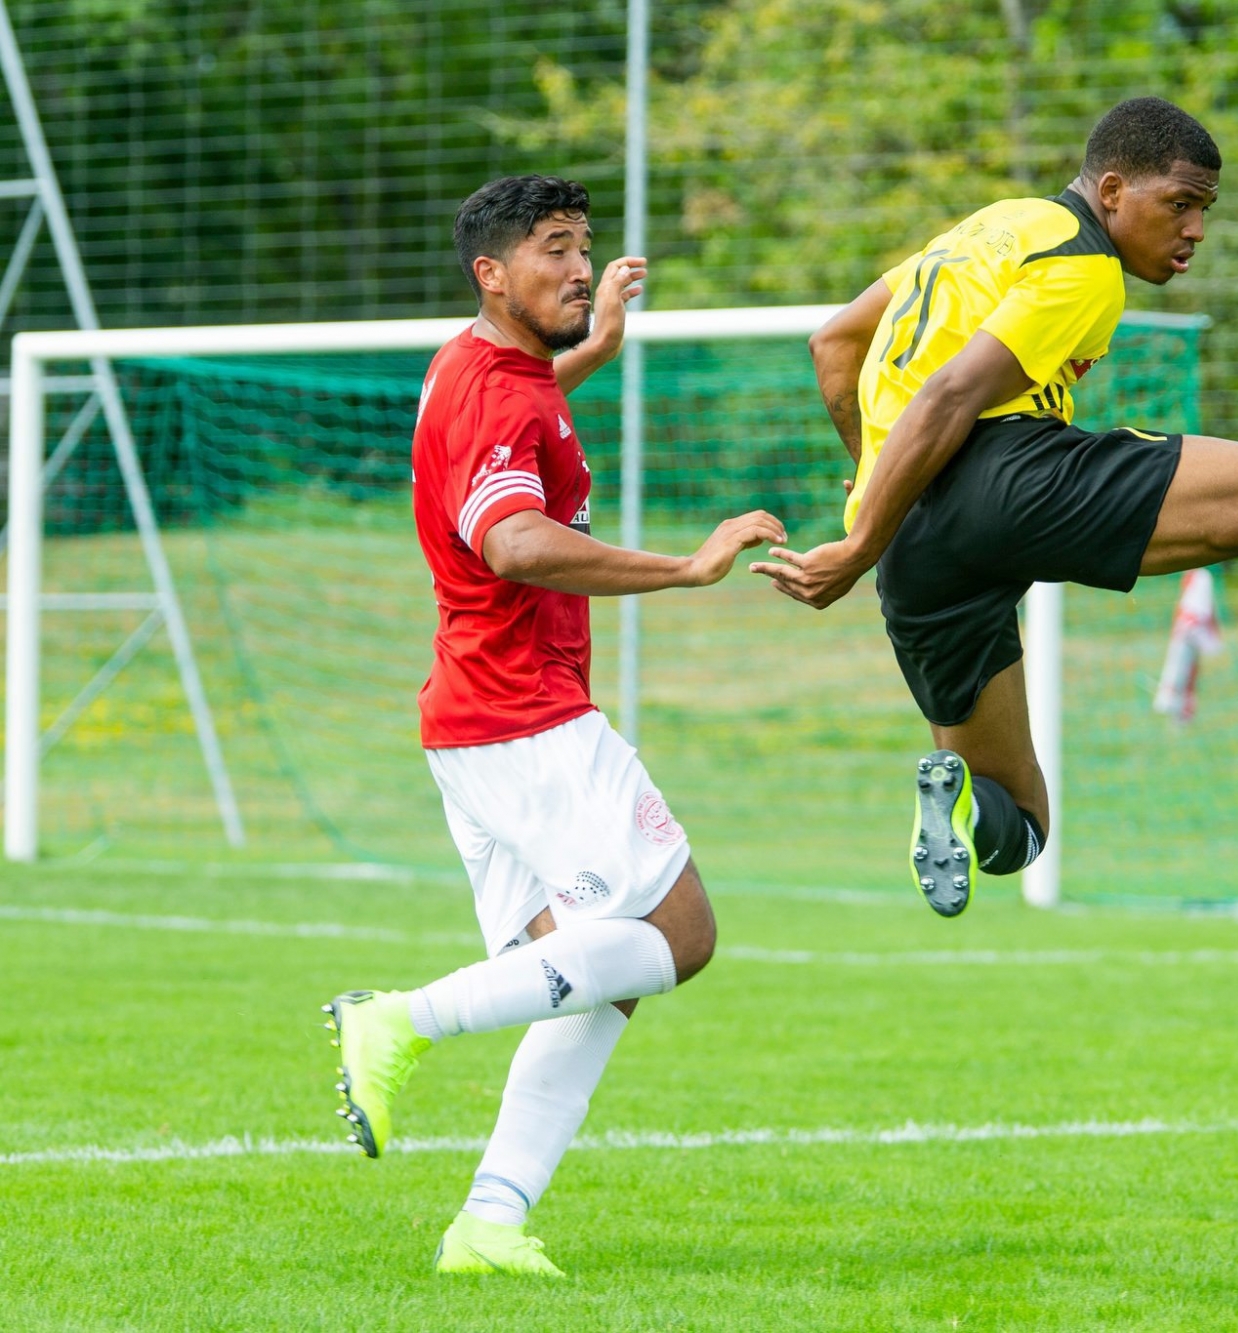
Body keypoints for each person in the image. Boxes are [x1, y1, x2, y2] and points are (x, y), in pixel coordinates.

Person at [754, 98, 1238, 918]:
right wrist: (859, 538)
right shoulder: (1085, 266)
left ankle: (962, 801)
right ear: (1112, 190)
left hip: (919, 545)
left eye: (1205, 211)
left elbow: (833, 343)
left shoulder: (993, 226)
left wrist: (879, 487)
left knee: (1025, 823)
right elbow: (951, 391)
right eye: (1179, 204)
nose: (1193, 230)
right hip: (999, 479)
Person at [320, 175, 785, 1277]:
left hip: (470, 724)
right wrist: (686, 564)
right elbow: (514, 541)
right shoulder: (507, 395)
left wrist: (598, 345)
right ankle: (399, 1016)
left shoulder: (477, 364)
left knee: (597, 975)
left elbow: (523, 407)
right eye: (554, 250)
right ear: (491, 273)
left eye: (585, 247)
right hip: (528, 719)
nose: (579, 267)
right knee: (680, 937)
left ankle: (488, 1222)